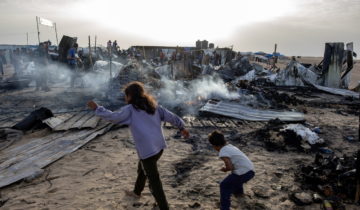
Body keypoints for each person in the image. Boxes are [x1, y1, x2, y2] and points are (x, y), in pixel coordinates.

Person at [87, 81, 190, 210]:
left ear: (130, 95)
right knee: (142, 168)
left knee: (154, 181)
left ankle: (164, 207)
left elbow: (113, 117)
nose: (125, 98)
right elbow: (172, 117)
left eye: (126, 95)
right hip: (158, 147)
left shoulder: (130, 110)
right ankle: (137, 192)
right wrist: (182, 127)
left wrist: (97, 108)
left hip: (147, 150)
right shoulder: (154, 106)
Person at [208, 130, 255, 210]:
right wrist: (230, 168)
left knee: (224, 185)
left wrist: (225, 169)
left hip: (243, 172)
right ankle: (239, 193)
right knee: (236, 177)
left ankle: (225, 208)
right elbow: (234, 165)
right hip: (250, 169)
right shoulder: (230, 146)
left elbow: (229, 167)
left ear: (214, 146)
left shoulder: (222, 152)